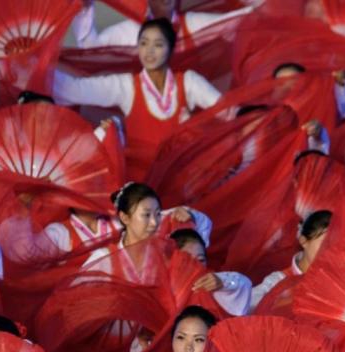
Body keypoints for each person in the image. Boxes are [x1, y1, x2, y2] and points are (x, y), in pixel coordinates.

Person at [54, 19, 222, 180]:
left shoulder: (188, 82)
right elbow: (74, 89)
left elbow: (227, 108)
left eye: (157, 45)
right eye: (143, 43)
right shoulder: (127, 86)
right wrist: (37, 64)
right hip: (142, 188)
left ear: (171, 48)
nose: (149, 51)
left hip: (179, 179)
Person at [83, 182, 211, 276]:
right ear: (125, 217)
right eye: (146, 215)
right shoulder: (105, 258)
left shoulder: (165, 252)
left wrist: (191, 216)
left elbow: (204, 225)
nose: (154, 222)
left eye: (157, 214)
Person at [70, 0, 255, 49]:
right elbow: (89, 49)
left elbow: (236, 21)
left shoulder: (191, 23)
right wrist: (84, 9)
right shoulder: (128, 31)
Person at [249, 209, 330, 311]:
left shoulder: (338, 281)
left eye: (335, 244)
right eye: (324, 243)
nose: (330, 249)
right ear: (304, 241)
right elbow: (246, 309)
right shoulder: (278, 281)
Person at [170, 228, 252, 316]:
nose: (196, 266)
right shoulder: (160, 284)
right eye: (187, 260)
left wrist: (223, 282)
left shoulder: (210, 284)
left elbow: (243, 284)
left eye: (201, 259)